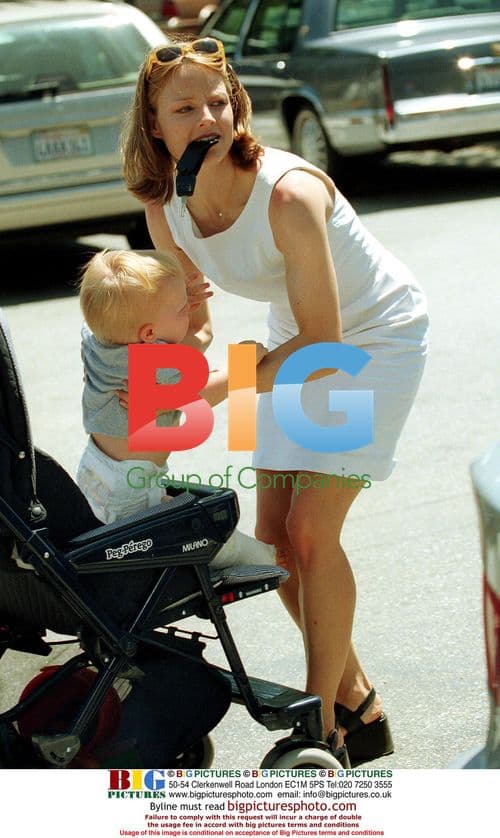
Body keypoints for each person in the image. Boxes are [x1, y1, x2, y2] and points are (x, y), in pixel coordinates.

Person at [120, 37, 429, 765]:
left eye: (219, 101)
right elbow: (189, 323)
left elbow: (327, 341)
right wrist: (151, 376)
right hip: (296, 334)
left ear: (239, 105)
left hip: (369, 339)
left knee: (314, 530)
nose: (208, 118)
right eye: (185, 107)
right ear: (154, 124)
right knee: (275, 537)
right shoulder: (166, 200)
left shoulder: (288, 194)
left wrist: (211, 389)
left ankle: (322, 721)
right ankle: (359, 699)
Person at [76, 248, 274, 568]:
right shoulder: (153, 368)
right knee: (209, 537)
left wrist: (174, 301)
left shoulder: (98, 340)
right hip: (130, 488)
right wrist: (244, 363)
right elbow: (202, 394)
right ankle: (249, 555)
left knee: (161, 511)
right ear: (150, 335)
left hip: (96, 472)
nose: (188, 309)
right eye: (183, 308)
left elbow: (195, 338)